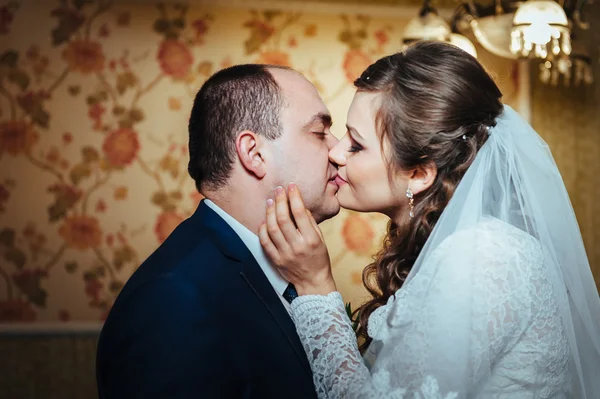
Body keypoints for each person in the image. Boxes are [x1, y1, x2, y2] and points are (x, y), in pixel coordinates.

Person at [259, 41, 600, 398]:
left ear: (420, 173)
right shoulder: (461, 243)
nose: (336, 151)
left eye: (357, 145)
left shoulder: (485, 256)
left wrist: (316, 285)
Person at [96, 64, 341, 398]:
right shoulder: (173, 300)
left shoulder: (281, 267)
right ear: (253, 153)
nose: (338, 149)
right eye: (319, 132)